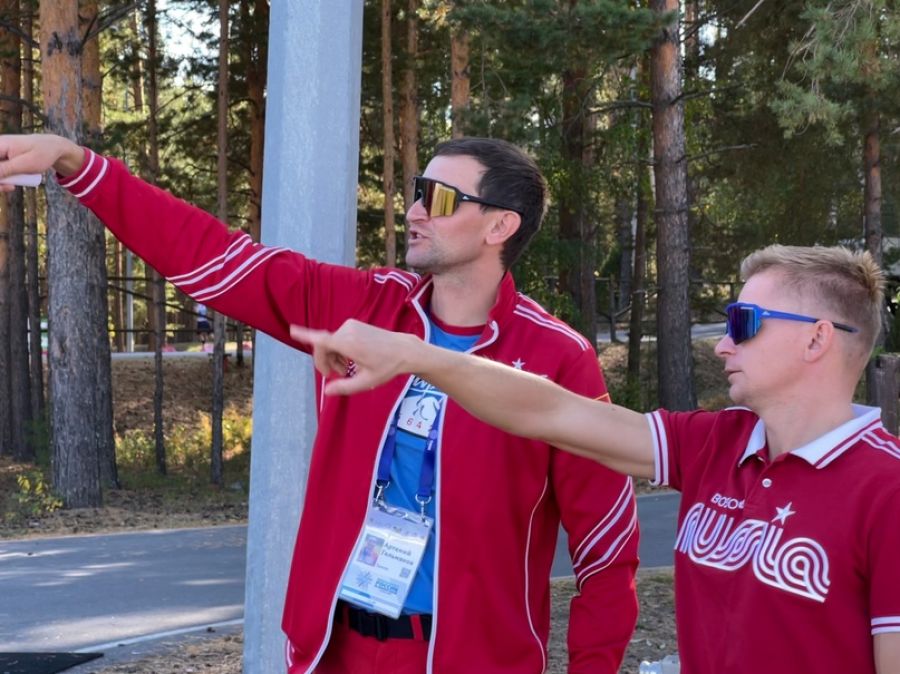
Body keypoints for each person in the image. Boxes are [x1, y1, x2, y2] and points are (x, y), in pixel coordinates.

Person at [0, 133, 640, 674]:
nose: (415, 210)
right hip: (336, 648)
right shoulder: (364, 307)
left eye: (440, 198)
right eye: (417, 191)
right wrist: (77, 164)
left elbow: (607, 551)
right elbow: (214, 259)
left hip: (472, 656)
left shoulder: (559, 357)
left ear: (501, 225)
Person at [291, 245, 900, 674]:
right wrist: (419, 356)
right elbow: (552, 413)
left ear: (818, 337)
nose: (721, 344)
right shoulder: (715, 443)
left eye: (744, 323)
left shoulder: (885, 489)